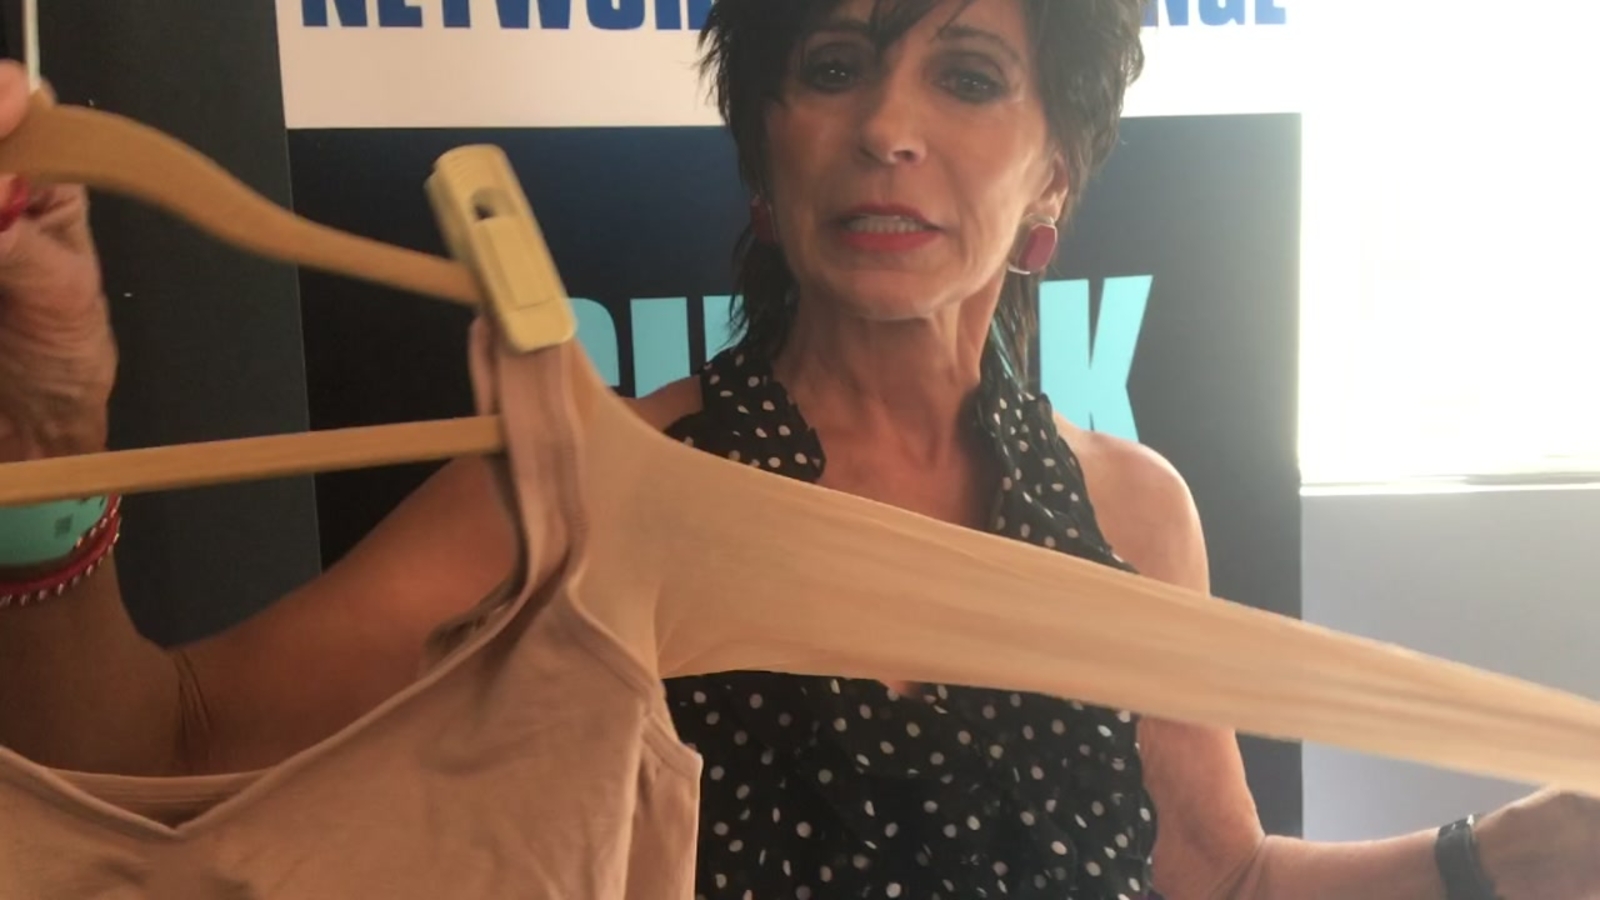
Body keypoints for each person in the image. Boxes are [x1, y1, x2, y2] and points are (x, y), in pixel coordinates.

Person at [0, 0, 1596, 897]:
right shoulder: (593, 496)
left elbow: (1220, 881)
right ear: (767, 150)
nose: (888, 126)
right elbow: (152, 748)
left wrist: (1508, 854)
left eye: (967, 77)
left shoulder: (1131, 515)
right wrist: (46, 441)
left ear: (1055, 175)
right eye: (833, 68)